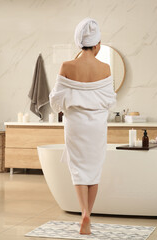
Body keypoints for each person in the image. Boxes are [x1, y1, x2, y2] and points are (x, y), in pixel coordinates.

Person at [49, 18, 116, 235]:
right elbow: (109, 100)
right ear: (97, 44)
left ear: (79, 43)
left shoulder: (67, 66)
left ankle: (83, 211)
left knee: (78, 169)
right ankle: (90, 213)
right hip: (96, 126)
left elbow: (55, 100)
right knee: (93, 170)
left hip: (75, 124)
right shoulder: (105, 68)